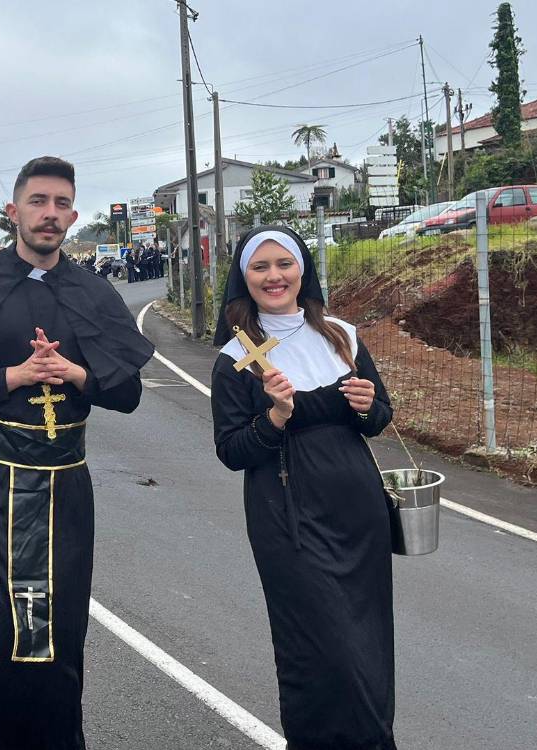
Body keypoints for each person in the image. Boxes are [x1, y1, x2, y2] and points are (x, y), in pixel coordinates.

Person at [0, 157, 153, 749]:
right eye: (38, 202)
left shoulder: (93, 294)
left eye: (60, 205)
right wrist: (15, 375)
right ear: (13, 212)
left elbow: (125, 395)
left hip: (64, 489)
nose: (49, 215)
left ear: (73, 216)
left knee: (59, 633)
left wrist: (76, 373)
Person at [209, 225, 396, 750]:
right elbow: (230, 450)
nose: (274, 276)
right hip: (287, 517)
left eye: (284, 264)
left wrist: (367, 406)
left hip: (358, 513)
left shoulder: (341, 334)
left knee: (367, 643)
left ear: (302, 269)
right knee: (321, 650)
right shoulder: (239, 356)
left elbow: (380, 416)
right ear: (244, 279)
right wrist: (275, 417)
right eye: (260, 267)